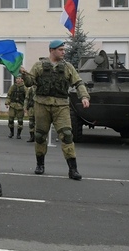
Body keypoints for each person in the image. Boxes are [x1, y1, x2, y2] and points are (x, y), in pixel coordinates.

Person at [20, 40, 90, 180]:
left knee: (67, 135)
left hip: (61, 106)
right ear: (52, 50)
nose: (63, 52)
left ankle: (73, 169)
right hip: (42, 104)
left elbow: (78, 82)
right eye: (60, 49)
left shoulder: (68, 67)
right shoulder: (39, 66)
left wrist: (84, 96)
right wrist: (23, 73)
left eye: (64, 49)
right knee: (40, 136)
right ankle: (40, 164)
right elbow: (29, 83)